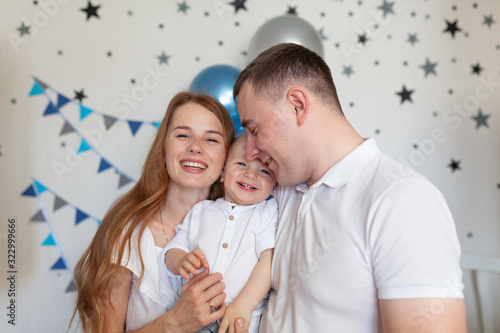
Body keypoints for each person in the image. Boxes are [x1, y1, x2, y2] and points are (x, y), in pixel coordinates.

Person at [231, 43, 467, 332]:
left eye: (254, 130)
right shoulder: (280, 190)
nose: (251, 151)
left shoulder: (402, 201)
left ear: (298, 105)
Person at [71, 91, 238, 332]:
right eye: (183, 135)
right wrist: (175, 322)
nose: (195, 147)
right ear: (163, 150)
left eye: (211, 139)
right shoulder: (128, 232)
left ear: (227, 159)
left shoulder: (239, 228)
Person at [164, 133, 278, 333]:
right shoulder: (201, 210)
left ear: (274, 186)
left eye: (264, 171)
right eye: (242, 164)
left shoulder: (266, 212)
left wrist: (244, 305)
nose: (251, 175)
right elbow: (174, 247)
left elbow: (268, 261)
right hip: (193, 317)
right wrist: (180, 260)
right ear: (223, 172)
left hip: (239, 322)